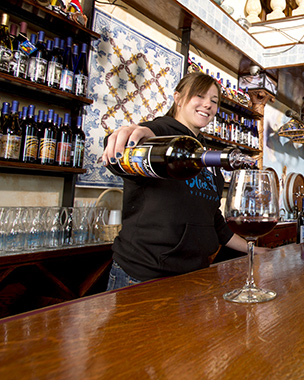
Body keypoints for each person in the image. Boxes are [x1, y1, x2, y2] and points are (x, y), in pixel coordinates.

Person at [101, 72, 256, 291]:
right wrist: (140, 134)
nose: (208, 105)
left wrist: (254, 249)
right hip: (143, 277)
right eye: (200, 96)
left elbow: (214, 221)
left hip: (192, 276)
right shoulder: (159, 135)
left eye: (214, 101)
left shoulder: (202, 155)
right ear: (178, 98)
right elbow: (127, 151)